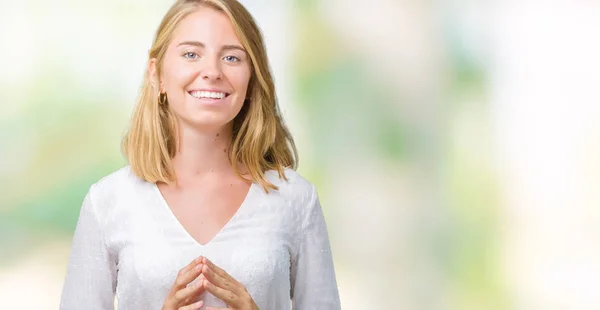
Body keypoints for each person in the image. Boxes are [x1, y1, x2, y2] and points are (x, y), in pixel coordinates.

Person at [59, 0, 340, 309]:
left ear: (252, 78)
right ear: (157, 74)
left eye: (232, 57)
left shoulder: (296, 199)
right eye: (191, 54)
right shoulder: (108, 202)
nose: (212, 72)